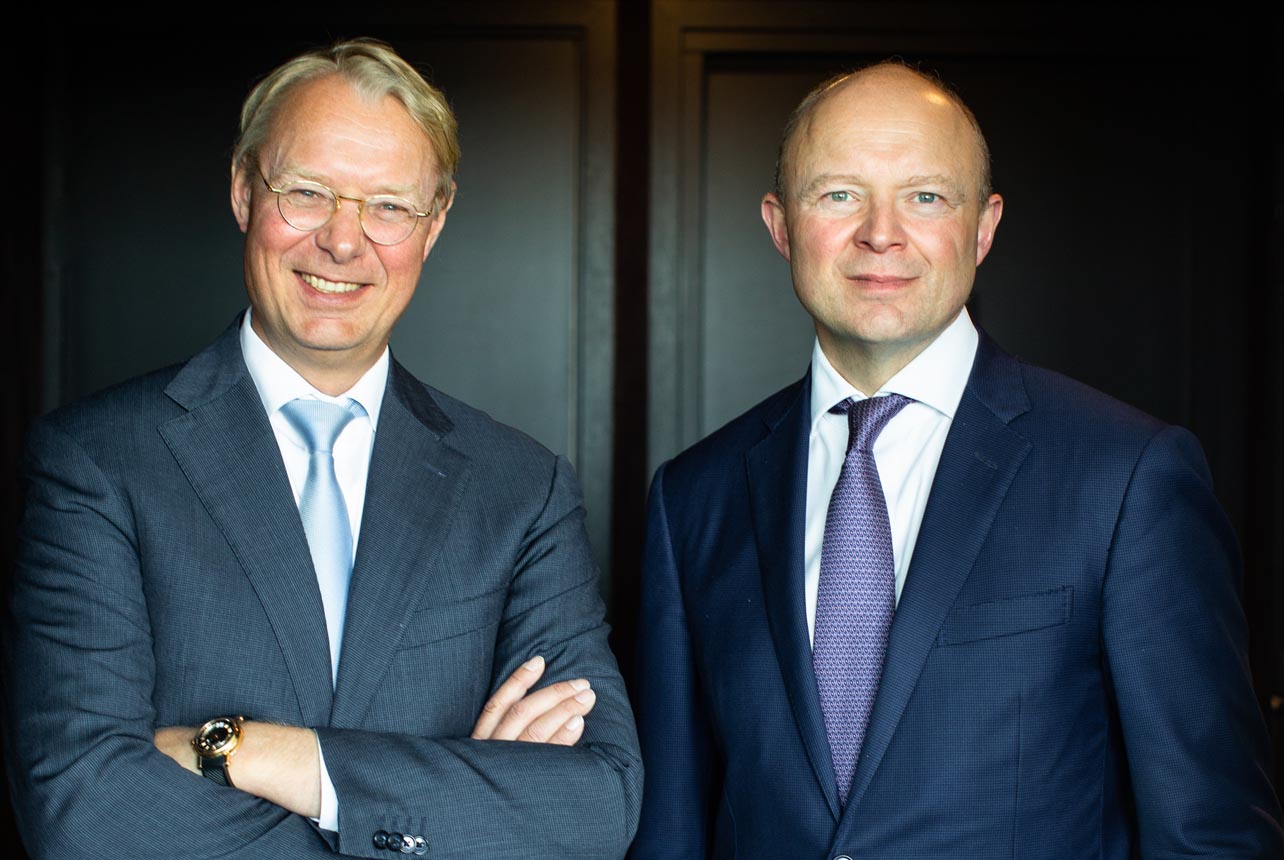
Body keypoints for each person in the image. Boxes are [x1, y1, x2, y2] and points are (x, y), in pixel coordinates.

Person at [5, 39, 640, 860]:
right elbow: (82, 811)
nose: (343, 242)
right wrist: (453, 802)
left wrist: (253, 752)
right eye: (306, 192)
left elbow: (596, 806)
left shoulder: (522, 489)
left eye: (388, 207)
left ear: (435, 222)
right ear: (243, 191)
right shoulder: (95, 463)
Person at [629, 62, 1282, 859]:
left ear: (984, 226)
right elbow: (670, 830)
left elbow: (1210, 835)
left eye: (926, 196)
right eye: (838, 194)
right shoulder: (694, 496)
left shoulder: (1127, 477)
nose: (881, 233)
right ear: (779, 225)